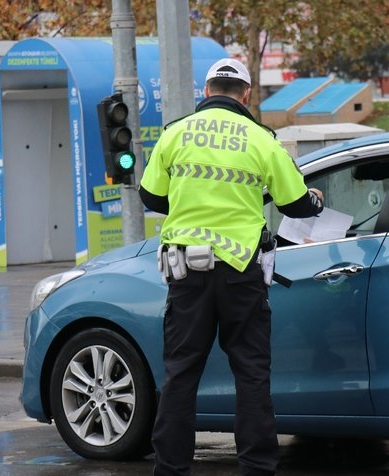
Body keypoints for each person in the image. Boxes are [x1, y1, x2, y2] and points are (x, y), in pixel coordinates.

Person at [138, 58, 324, 476]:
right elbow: (294, 203)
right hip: (241, 272)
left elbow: (150, 198)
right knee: (251, 374)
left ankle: (171, 469)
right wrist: (316, 199)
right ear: (246, 94)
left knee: (181, 375)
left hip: (187, 273)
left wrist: (186, 203)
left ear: (206, 92)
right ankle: (256, 467)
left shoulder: (175, 134)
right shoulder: (262, 140)